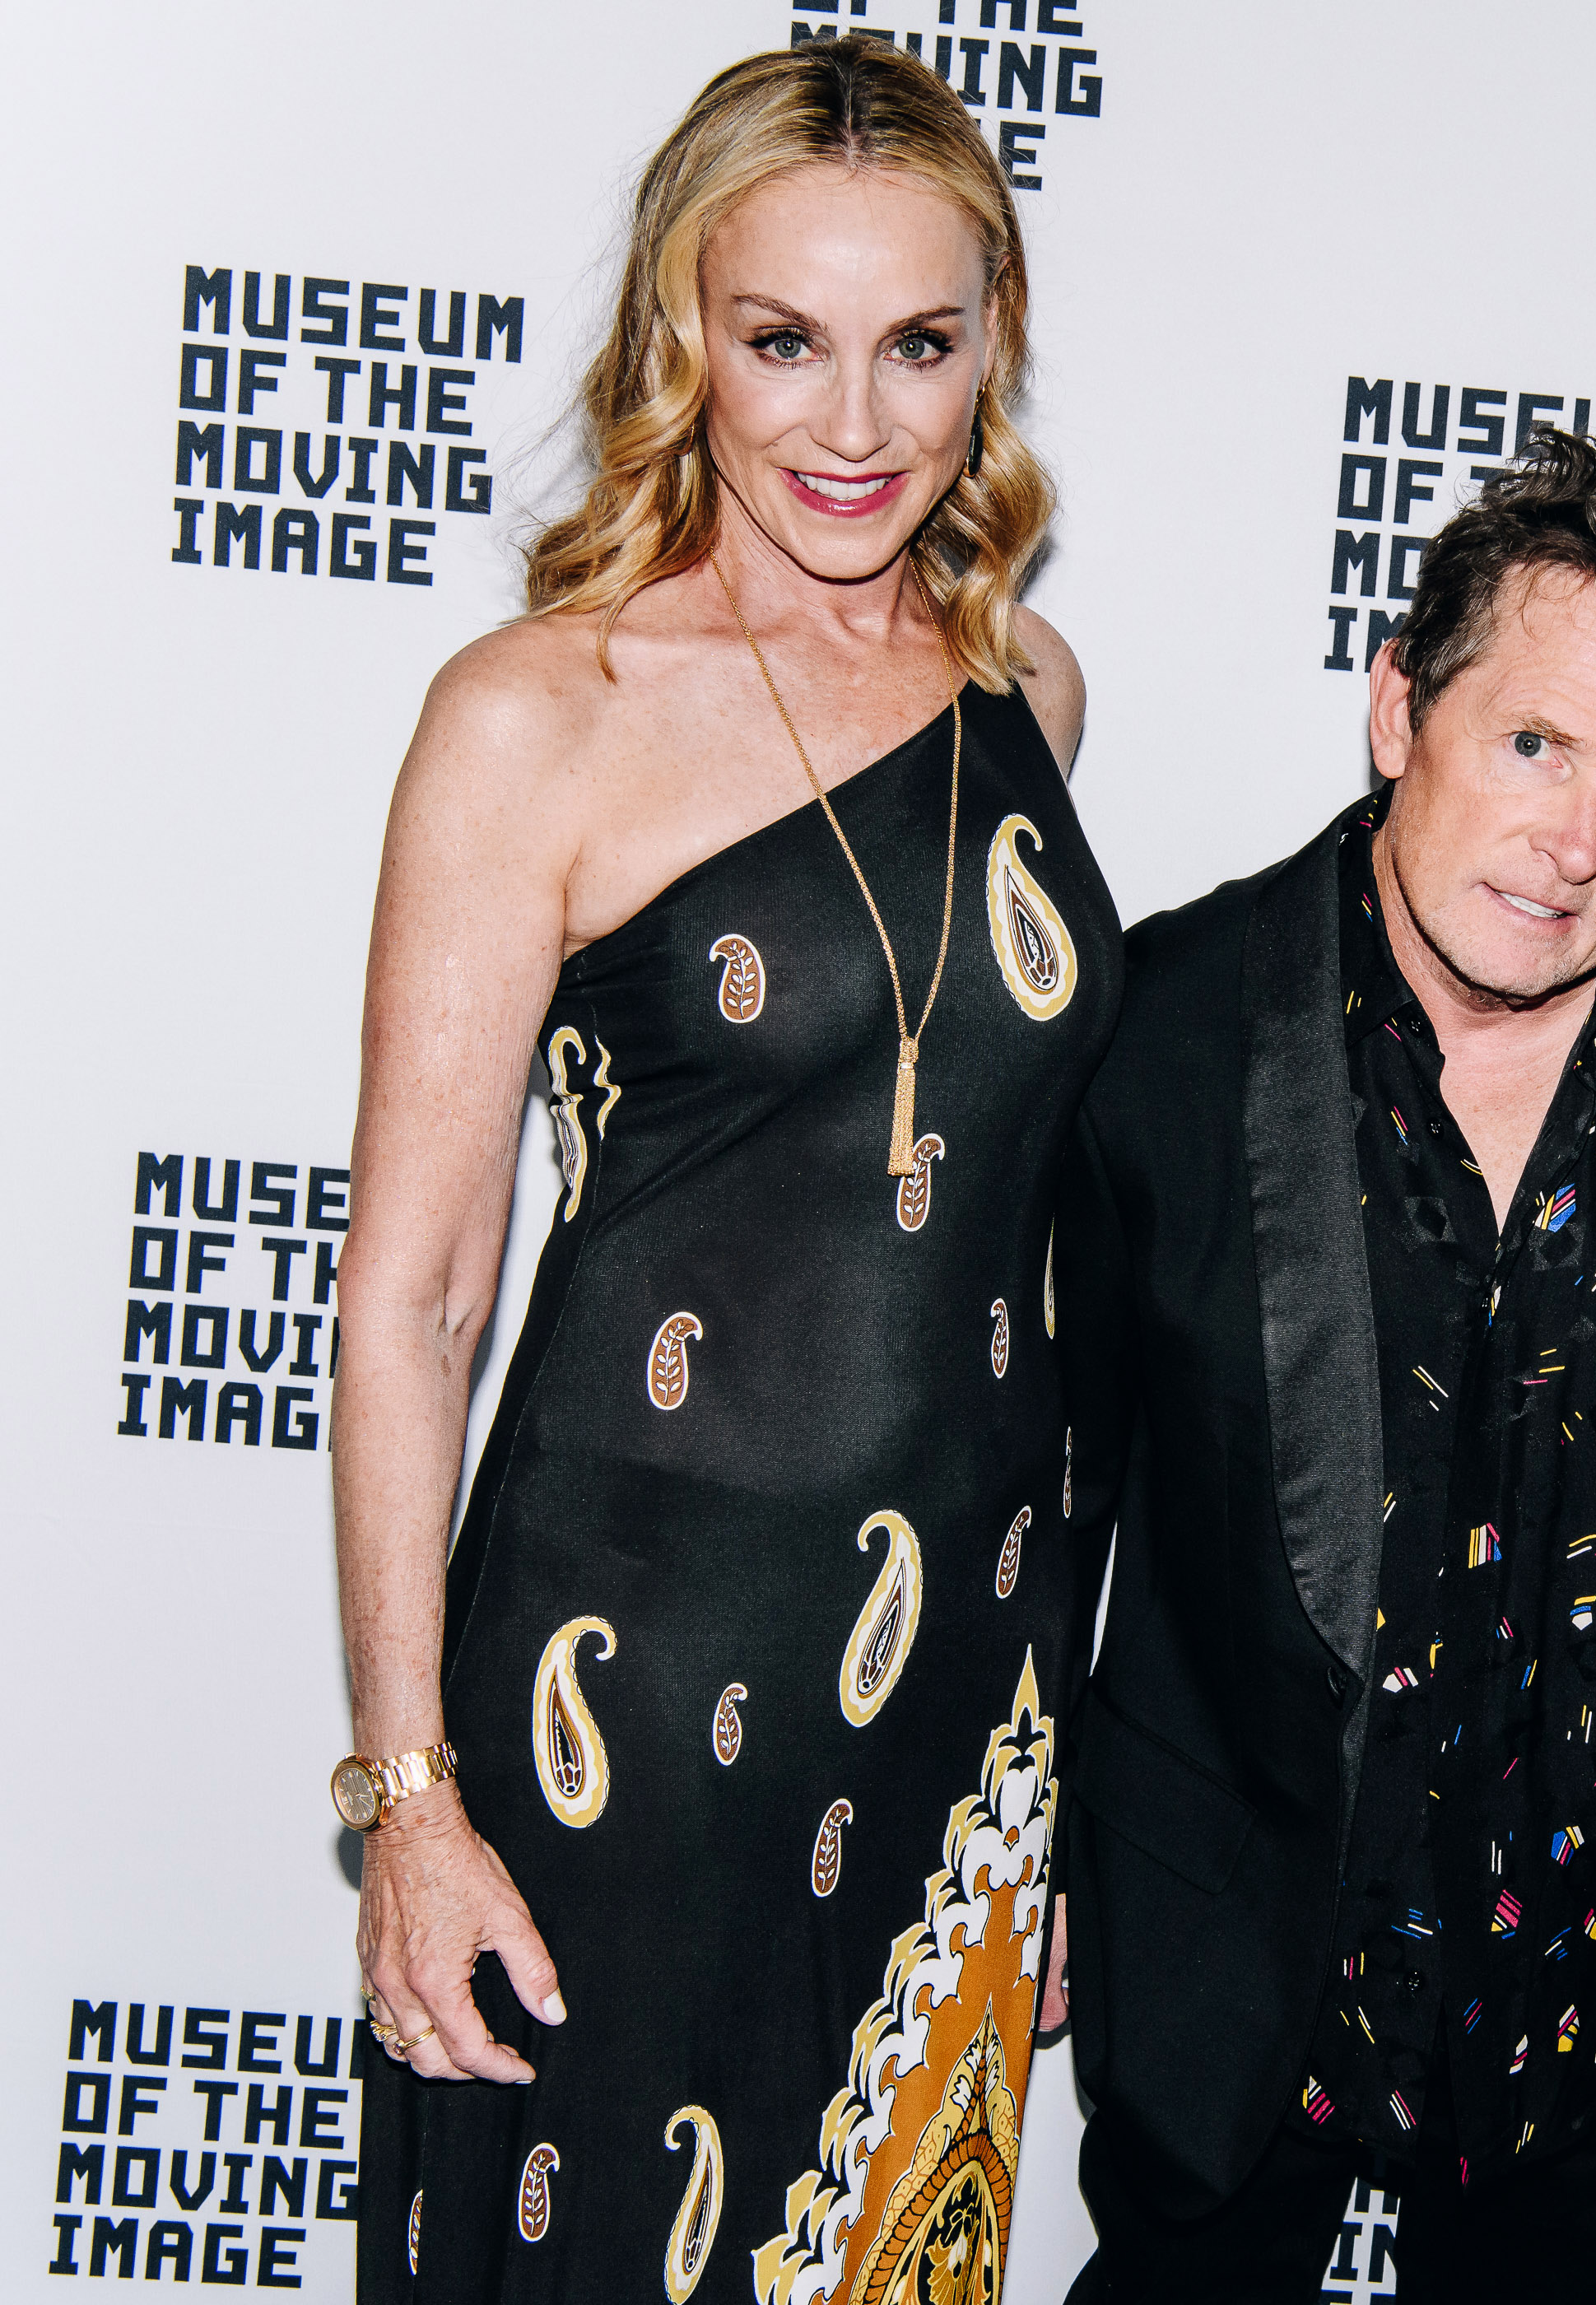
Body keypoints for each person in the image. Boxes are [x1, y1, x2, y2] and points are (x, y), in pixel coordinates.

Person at [336, 40, 1114, 2301]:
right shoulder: (538, 713)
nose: (853, 425)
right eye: (784, 342)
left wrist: (1045, 1787)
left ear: (995, 353)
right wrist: (411, 1798)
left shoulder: (1028, 690)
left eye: (920, 347)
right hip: (626, 1701)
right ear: (686, 337)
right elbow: (414, 1296)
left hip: (959, 1696)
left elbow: (1016, 1256)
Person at [1055, 432, 1596, 2305]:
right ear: (1401, 706)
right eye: (1535, 747)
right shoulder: (1159, 1025)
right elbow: (1040, 1484)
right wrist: (1029, 1854)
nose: (1575, 847)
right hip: (1235, 1943)